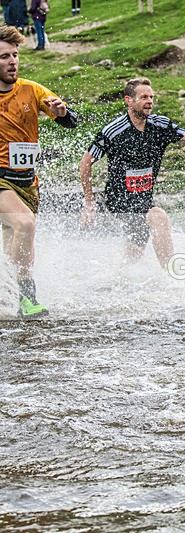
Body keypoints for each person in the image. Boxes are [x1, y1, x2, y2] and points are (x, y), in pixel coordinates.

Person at [79, 78, 185, 269]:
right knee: (159, 217)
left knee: (133, 254)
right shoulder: (114, 131)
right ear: (128, 100)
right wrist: (89, 202)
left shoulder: (160, 125)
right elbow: (86, 162)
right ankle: (171, 274)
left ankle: (116, 278)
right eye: (143, 97)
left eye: (151, 97)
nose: (149, 101)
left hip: (144, 198)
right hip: (118, 199)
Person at [0, 26, 78, 318]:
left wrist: (61, 113)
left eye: (15, 55)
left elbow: (70, 120)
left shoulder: (31, 90)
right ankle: (27, 298)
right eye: (4, 57)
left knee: (17, 235)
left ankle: (9, 295)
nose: (12, 61)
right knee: (25, 224)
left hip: (27, 182)